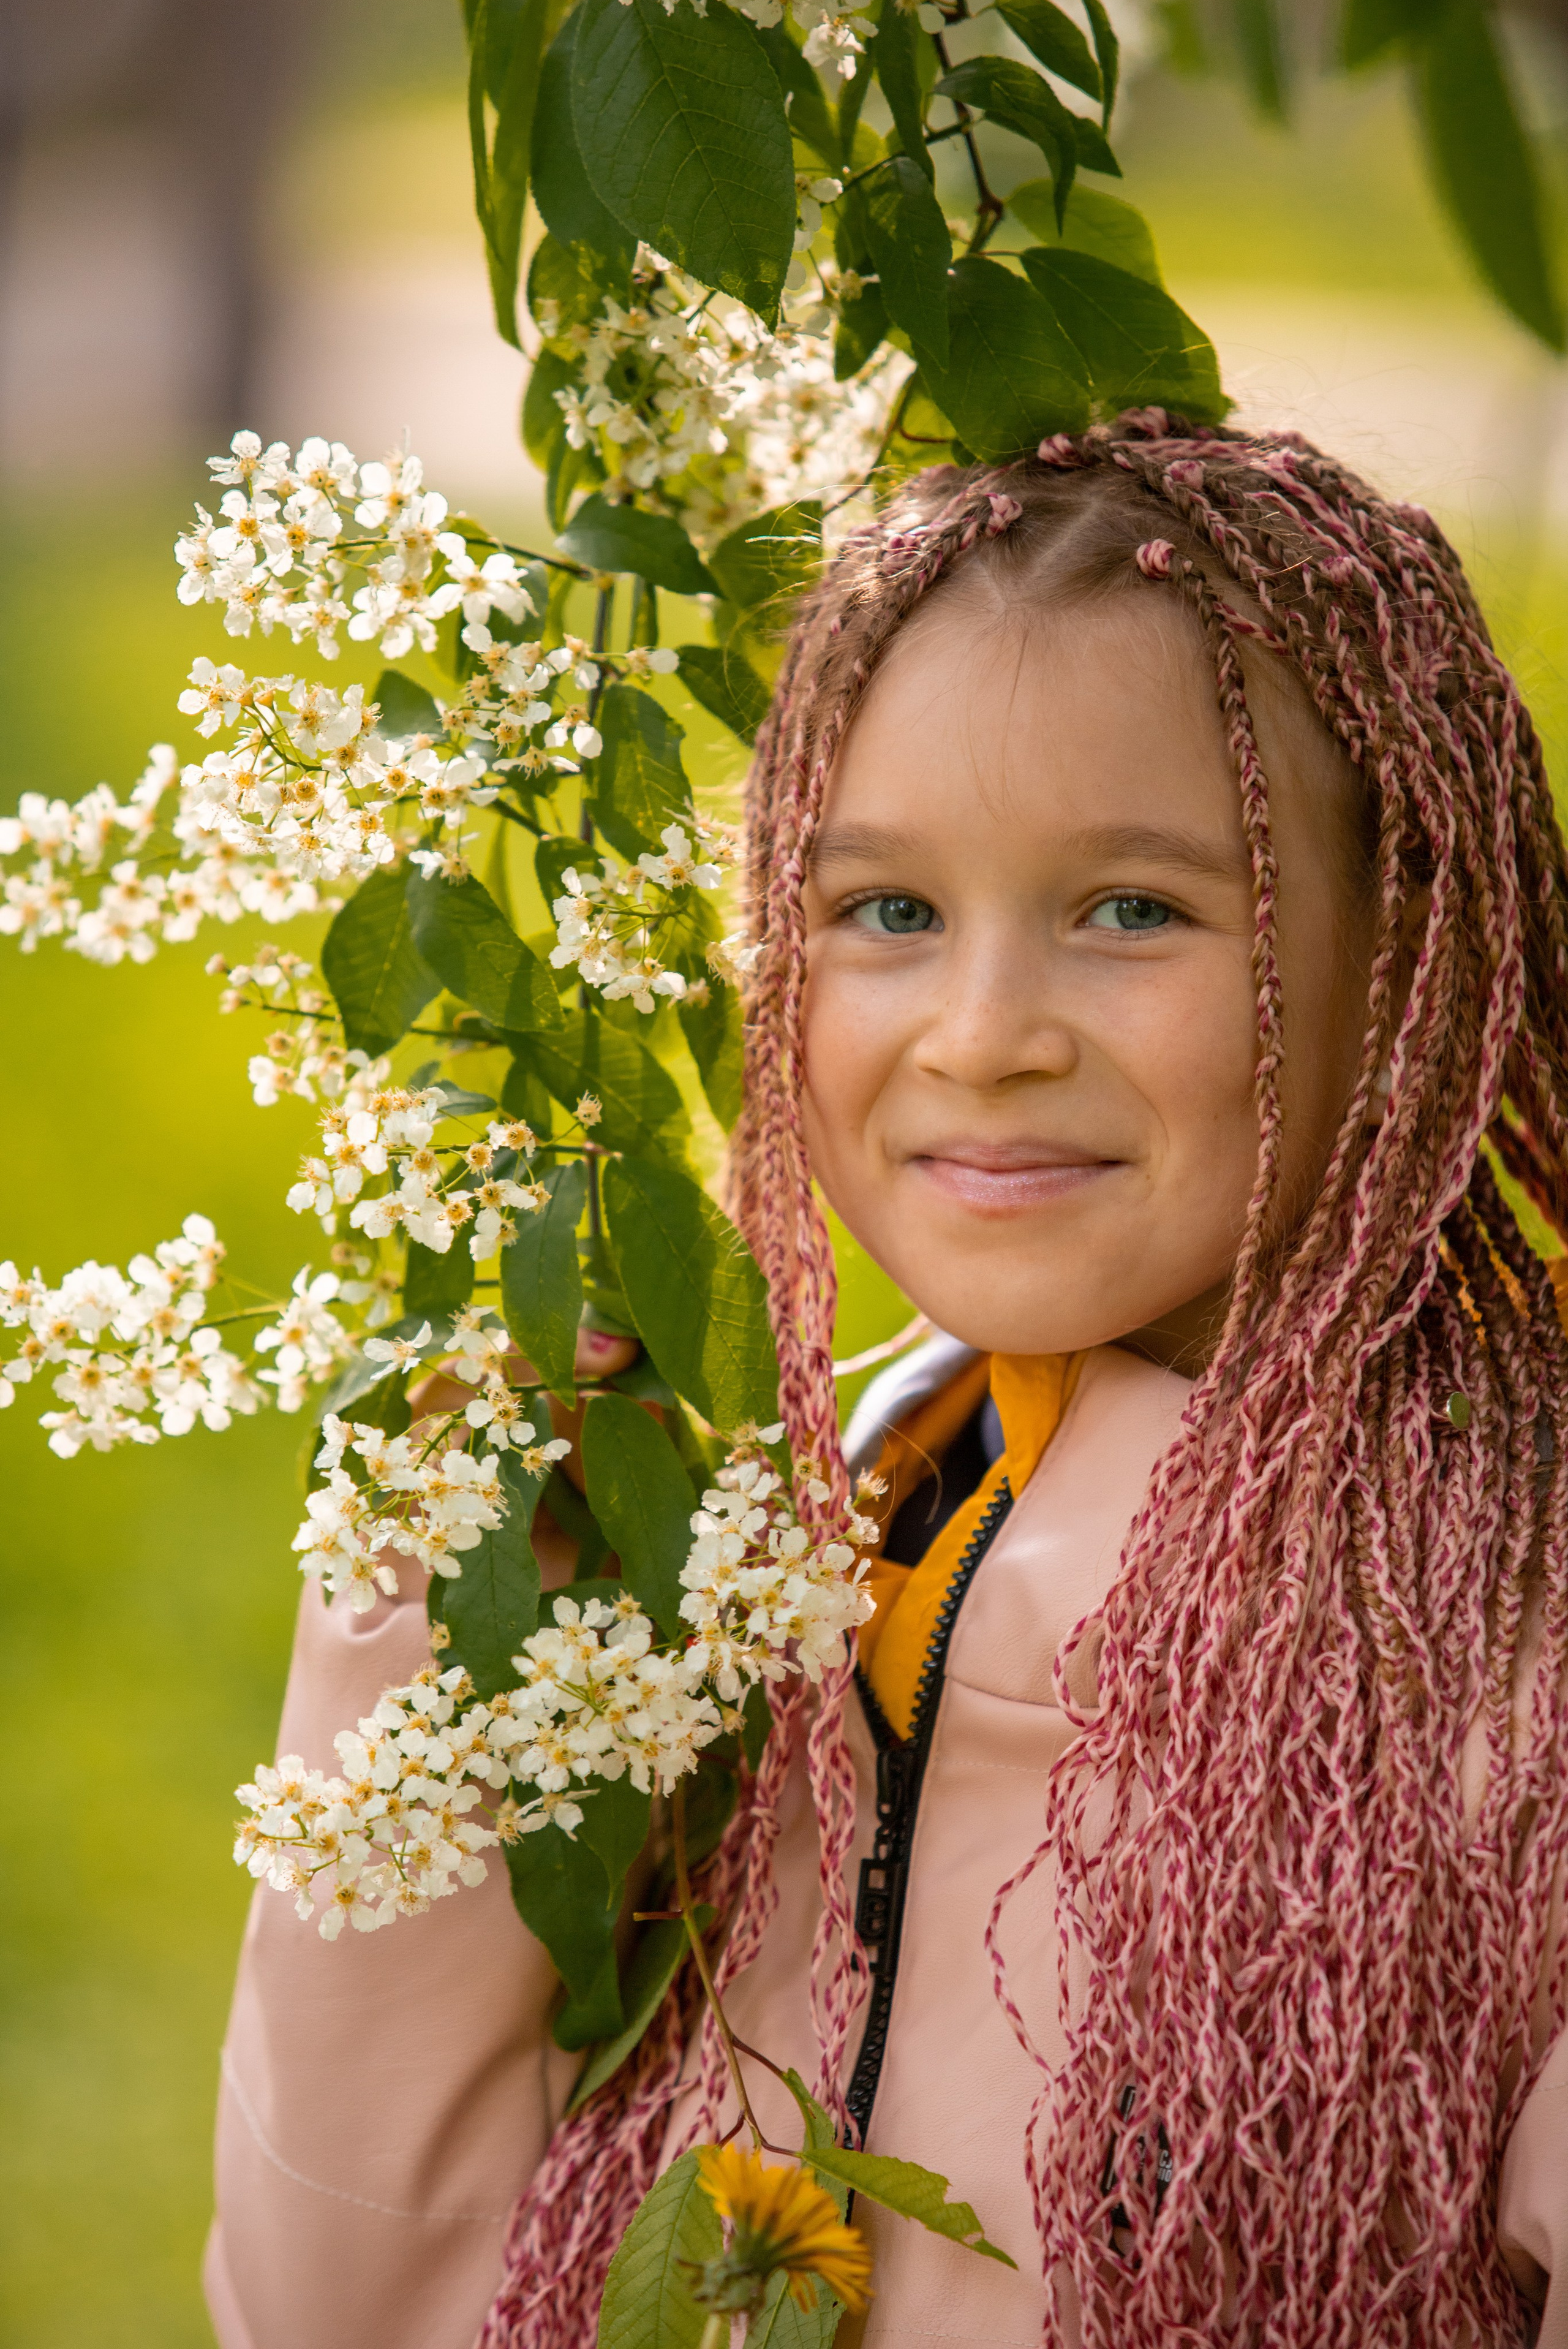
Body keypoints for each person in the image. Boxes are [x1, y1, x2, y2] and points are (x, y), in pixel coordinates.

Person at [205, 415, 1568, 2348]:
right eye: (889, 912)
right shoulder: (767, 1549)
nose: (983, 1036)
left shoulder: (1505, 1636)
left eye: (1136, 910)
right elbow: (336, 2305)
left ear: (1418, 946)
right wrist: (434, 1630)